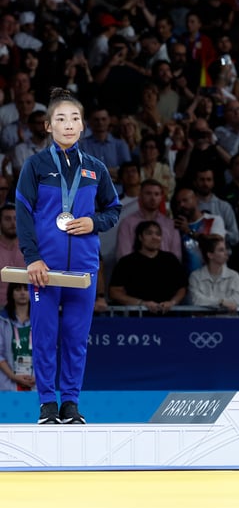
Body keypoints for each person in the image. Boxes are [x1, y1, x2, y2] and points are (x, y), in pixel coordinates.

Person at [16, 88, 121, 424]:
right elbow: (22, 214)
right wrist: (32, 258)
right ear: (48, 126)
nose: (69, 124)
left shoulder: (95, 169)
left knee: (76, 338)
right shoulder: (35, 166)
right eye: (60, 119)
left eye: (75, 118)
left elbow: (113, 209)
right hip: (44, 268)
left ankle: (71, 404)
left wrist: (94, 222)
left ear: (83, 125)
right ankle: (47, 403)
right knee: (45, 335)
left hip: (83, 269)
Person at [109, 221, 187, 314]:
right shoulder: (126, 262)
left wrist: (172, 302)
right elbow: (114, 292)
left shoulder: (171, 259)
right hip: (136, 319)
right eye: (149, 233)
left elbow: (182, 288)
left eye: (158, 234)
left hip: (168, 318)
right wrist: (141, 303)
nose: (154, 237)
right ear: (140, 237)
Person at [188, 234, 239, 315]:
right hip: (204, 325)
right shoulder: (195, 277)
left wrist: (211, 302)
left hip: (228, 324)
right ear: (210, 255)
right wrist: (221, 302)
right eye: (221, 250)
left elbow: (237, 300)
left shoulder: (234, 276)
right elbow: (197, 300)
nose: (226, 253)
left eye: (225, 249)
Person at [0, 283, 35, 391]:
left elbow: (47, 352)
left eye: (26, 289)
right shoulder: (2, 320)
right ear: (12, 293)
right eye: (18, 289)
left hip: (35, 382)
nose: (22, 293)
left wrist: (38, 377)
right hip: (8, 383)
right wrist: (13, 376)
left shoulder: (40, 320)